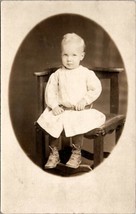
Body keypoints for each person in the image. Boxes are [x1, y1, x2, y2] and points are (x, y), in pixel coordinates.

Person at [37, 33, 106, 169]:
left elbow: (95, 88)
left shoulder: (85, 73)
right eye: (65, 55)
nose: (69, 59)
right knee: (52, 123)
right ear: (61, 55)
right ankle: (54, 153)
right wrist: (54, 105)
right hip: (61, 110)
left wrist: (84, 100)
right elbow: (50, 91)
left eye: (74, 55)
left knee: (78, 123)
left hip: (78, 110)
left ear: (82, 56)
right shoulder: (57, 74)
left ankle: (76, 153)